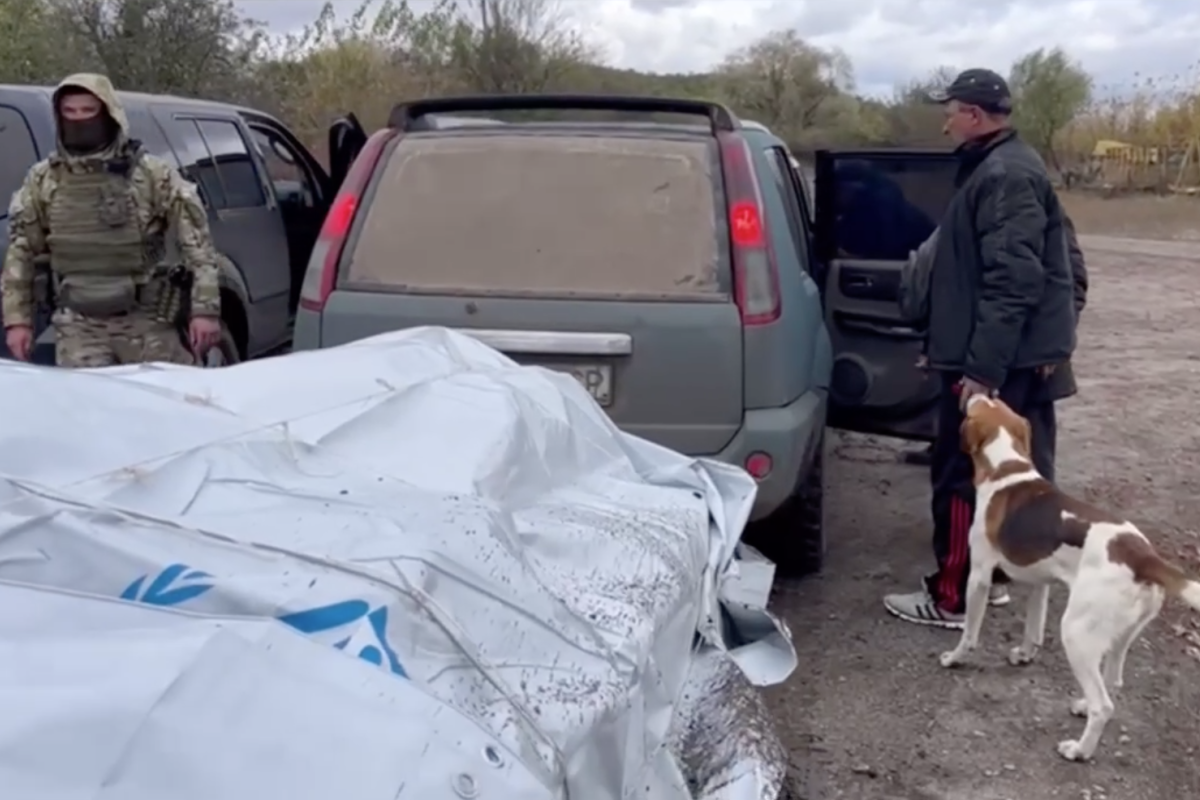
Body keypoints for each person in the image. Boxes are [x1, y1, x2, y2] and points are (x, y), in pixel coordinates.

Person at [882, 68, 1082, 628]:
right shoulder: (1002, 167)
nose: (944, 120)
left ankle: (950, 598)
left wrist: (980, 373)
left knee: (960, 473)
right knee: (1006, 474)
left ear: (972, 114)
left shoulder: (1006, 175)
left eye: (950, 110)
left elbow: (1013, 281)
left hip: (998, 362)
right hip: (1006, 353)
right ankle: (986, 578)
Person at [2, 73, 221, 367]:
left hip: (147, 323)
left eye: (88, 111)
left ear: (108, 114)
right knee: (88, 411)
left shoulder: (152, 174)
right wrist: (18, 321)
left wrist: (205, 311)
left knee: (160, 408)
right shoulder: (44, 180)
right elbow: (21, 251)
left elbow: (198, 245)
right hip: (78, 326)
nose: (78, 119)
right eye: (70, 112)